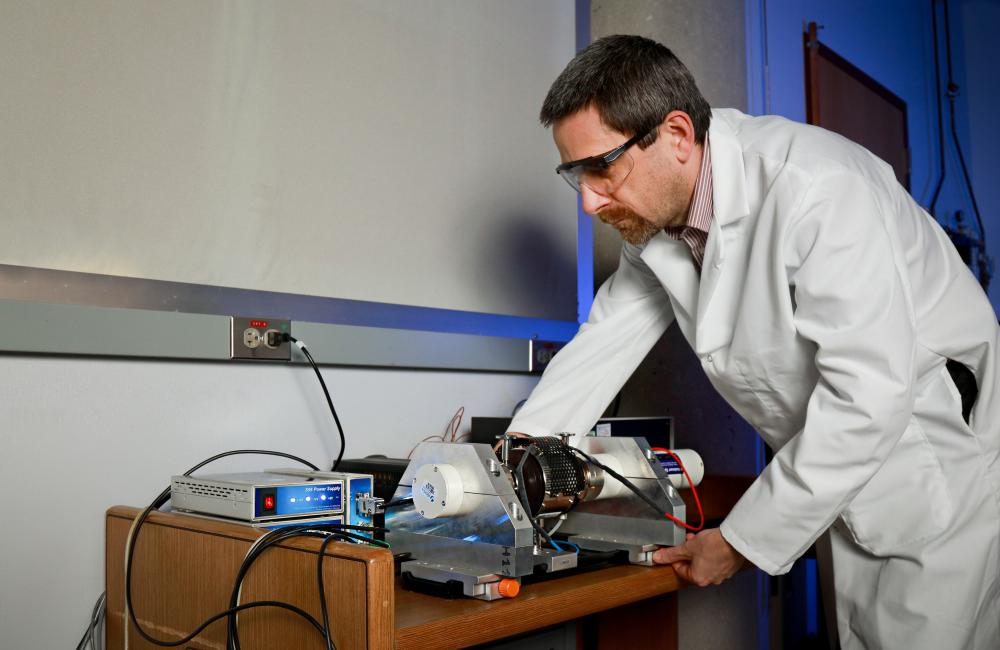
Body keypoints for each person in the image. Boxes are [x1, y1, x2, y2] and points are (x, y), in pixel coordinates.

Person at [507, 34, 1000, 649]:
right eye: (574, 174)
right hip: (837, 476)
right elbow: (603, 340)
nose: (588, 201)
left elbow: (867, 398)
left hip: (929, 469)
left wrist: (739, 543)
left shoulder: (818, 189)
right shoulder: (661, 226)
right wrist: (508, 465)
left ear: (678, 135)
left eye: (602, 166)